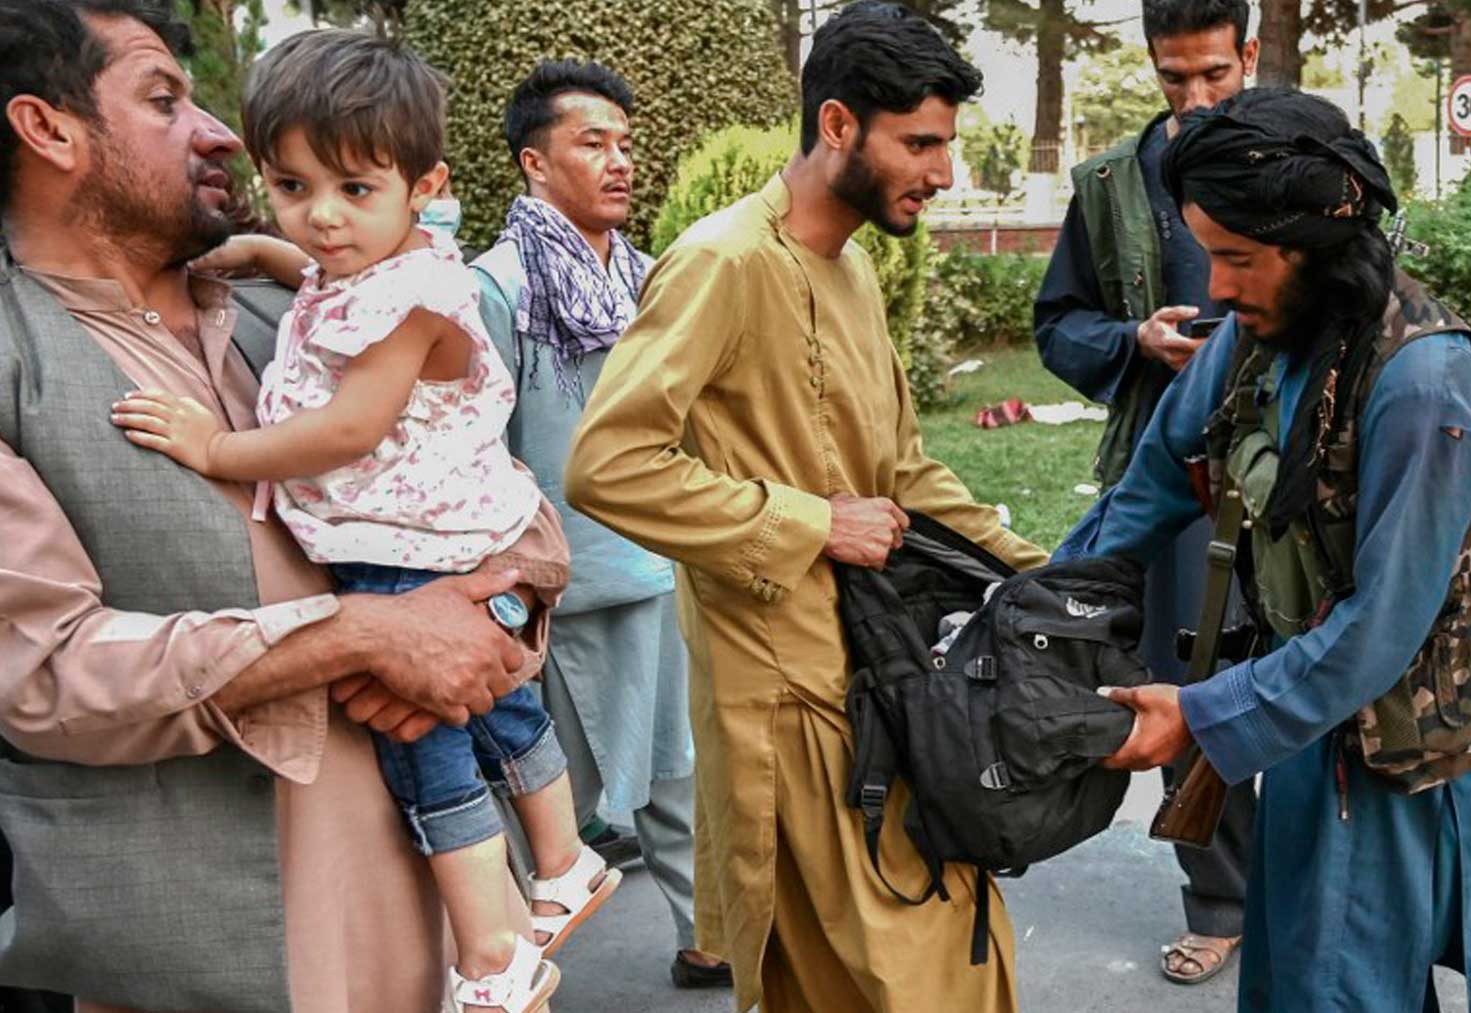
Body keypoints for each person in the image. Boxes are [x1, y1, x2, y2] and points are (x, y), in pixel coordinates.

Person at [0, 2, 573, 1008]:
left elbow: (507, 506)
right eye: (165, 99)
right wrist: (357, 635)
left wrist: (493, 615)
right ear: (48, 129)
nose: (221, 132)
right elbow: (40, 671)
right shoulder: (17, 365)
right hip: (215, 957)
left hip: (456, 948)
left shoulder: (310, 304)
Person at [562, 4, 1048, 1010]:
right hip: (782, 696)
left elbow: (901, 468)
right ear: (837, 126)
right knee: (869, 975)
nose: (942, 173)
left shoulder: (856, 264)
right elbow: (608, 464)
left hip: (888, 669)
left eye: (945, 145)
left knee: (942, 950)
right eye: (920, 143)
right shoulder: (722, 261)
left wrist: (1038, 570)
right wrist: (811, 522)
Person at [1064, 88, 1471, 1011]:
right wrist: (1042, 606)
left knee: (1355, 988)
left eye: (1236, 258)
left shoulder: (1426, 383)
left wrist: (1197, 713)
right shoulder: (1256, 333)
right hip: (1302, 721)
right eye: (1208, 254)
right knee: (1292, 981)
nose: (1217, 286)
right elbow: (1151, 484)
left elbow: (1377, 634)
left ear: (1316, 246)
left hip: (1405, 752)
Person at [471, 58, 730, 990]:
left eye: (625, 144)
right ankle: (494, 964)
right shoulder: (494, 291)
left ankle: (713, 940)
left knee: (681, 773)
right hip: (552, 591)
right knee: (537, 795)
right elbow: (478, 447)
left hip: (661, 570)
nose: (620, 162)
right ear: (534, 165)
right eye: (593, 143)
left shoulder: (654, 278)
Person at [1032, 0, 1259, 985]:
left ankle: (1318, 889)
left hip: (1291, 479)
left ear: (1248, 54)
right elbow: (1059, 323)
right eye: (1175, 78)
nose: (1196, 96)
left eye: (1214, 73)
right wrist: (1138, 342)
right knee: (1185, 677)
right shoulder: (1111, 187)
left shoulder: (1297, 159)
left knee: (1307, 675)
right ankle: (1221, 899)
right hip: (1173, 484)